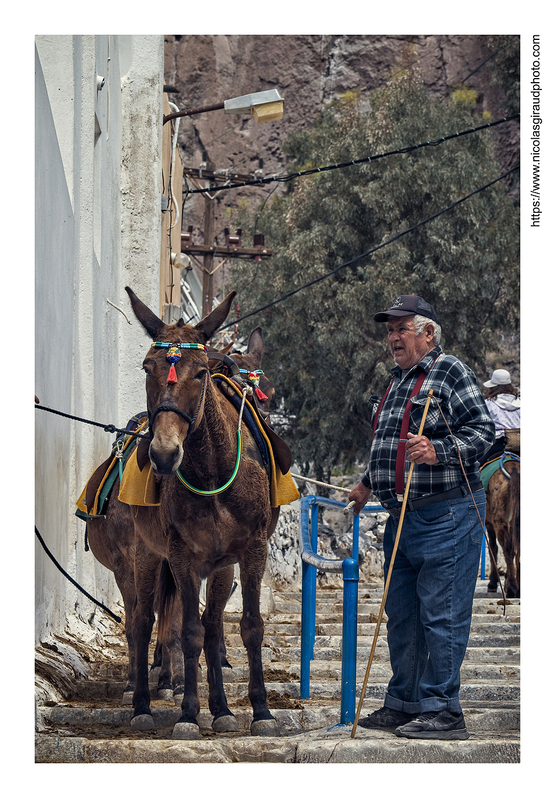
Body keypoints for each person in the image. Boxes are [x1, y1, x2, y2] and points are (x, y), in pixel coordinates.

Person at [349, 295, 495, 740]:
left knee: (442, 614)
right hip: (402, 517)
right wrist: (367, 484)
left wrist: (438, 450)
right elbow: (389, 444)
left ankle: (445, 710)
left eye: (401, 329)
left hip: (447, 513)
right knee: (404, 613)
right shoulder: (396, 382)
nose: (393, 337)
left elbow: (484, 433)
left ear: (427, 334)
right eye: (389, 330)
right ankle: (406, 702)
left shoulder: (450, 371)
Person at [479, 368, 520, 465]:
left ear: (493, 387)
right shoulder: (520, 402)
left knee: (476, 466)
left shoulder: (488, 404)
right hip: (520, 444)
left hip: (498, 445)